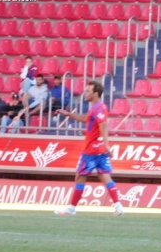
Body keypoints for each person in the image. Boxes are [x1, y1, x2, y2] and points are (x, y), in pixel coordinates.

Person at [53, 80, 124, 216]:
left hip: (91, 149)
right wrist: (69, 115)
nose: (84, 93)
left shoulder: (98, 107)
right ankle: (118, 206)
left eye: (88, 91)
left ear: (95, 93)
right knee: (104, 176)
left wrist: (107, 143)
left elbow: (103, 125)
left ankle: (71, 208)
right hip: (100, 150)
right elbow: (87, 119)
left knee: (80, 176)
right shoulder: (97, 107)